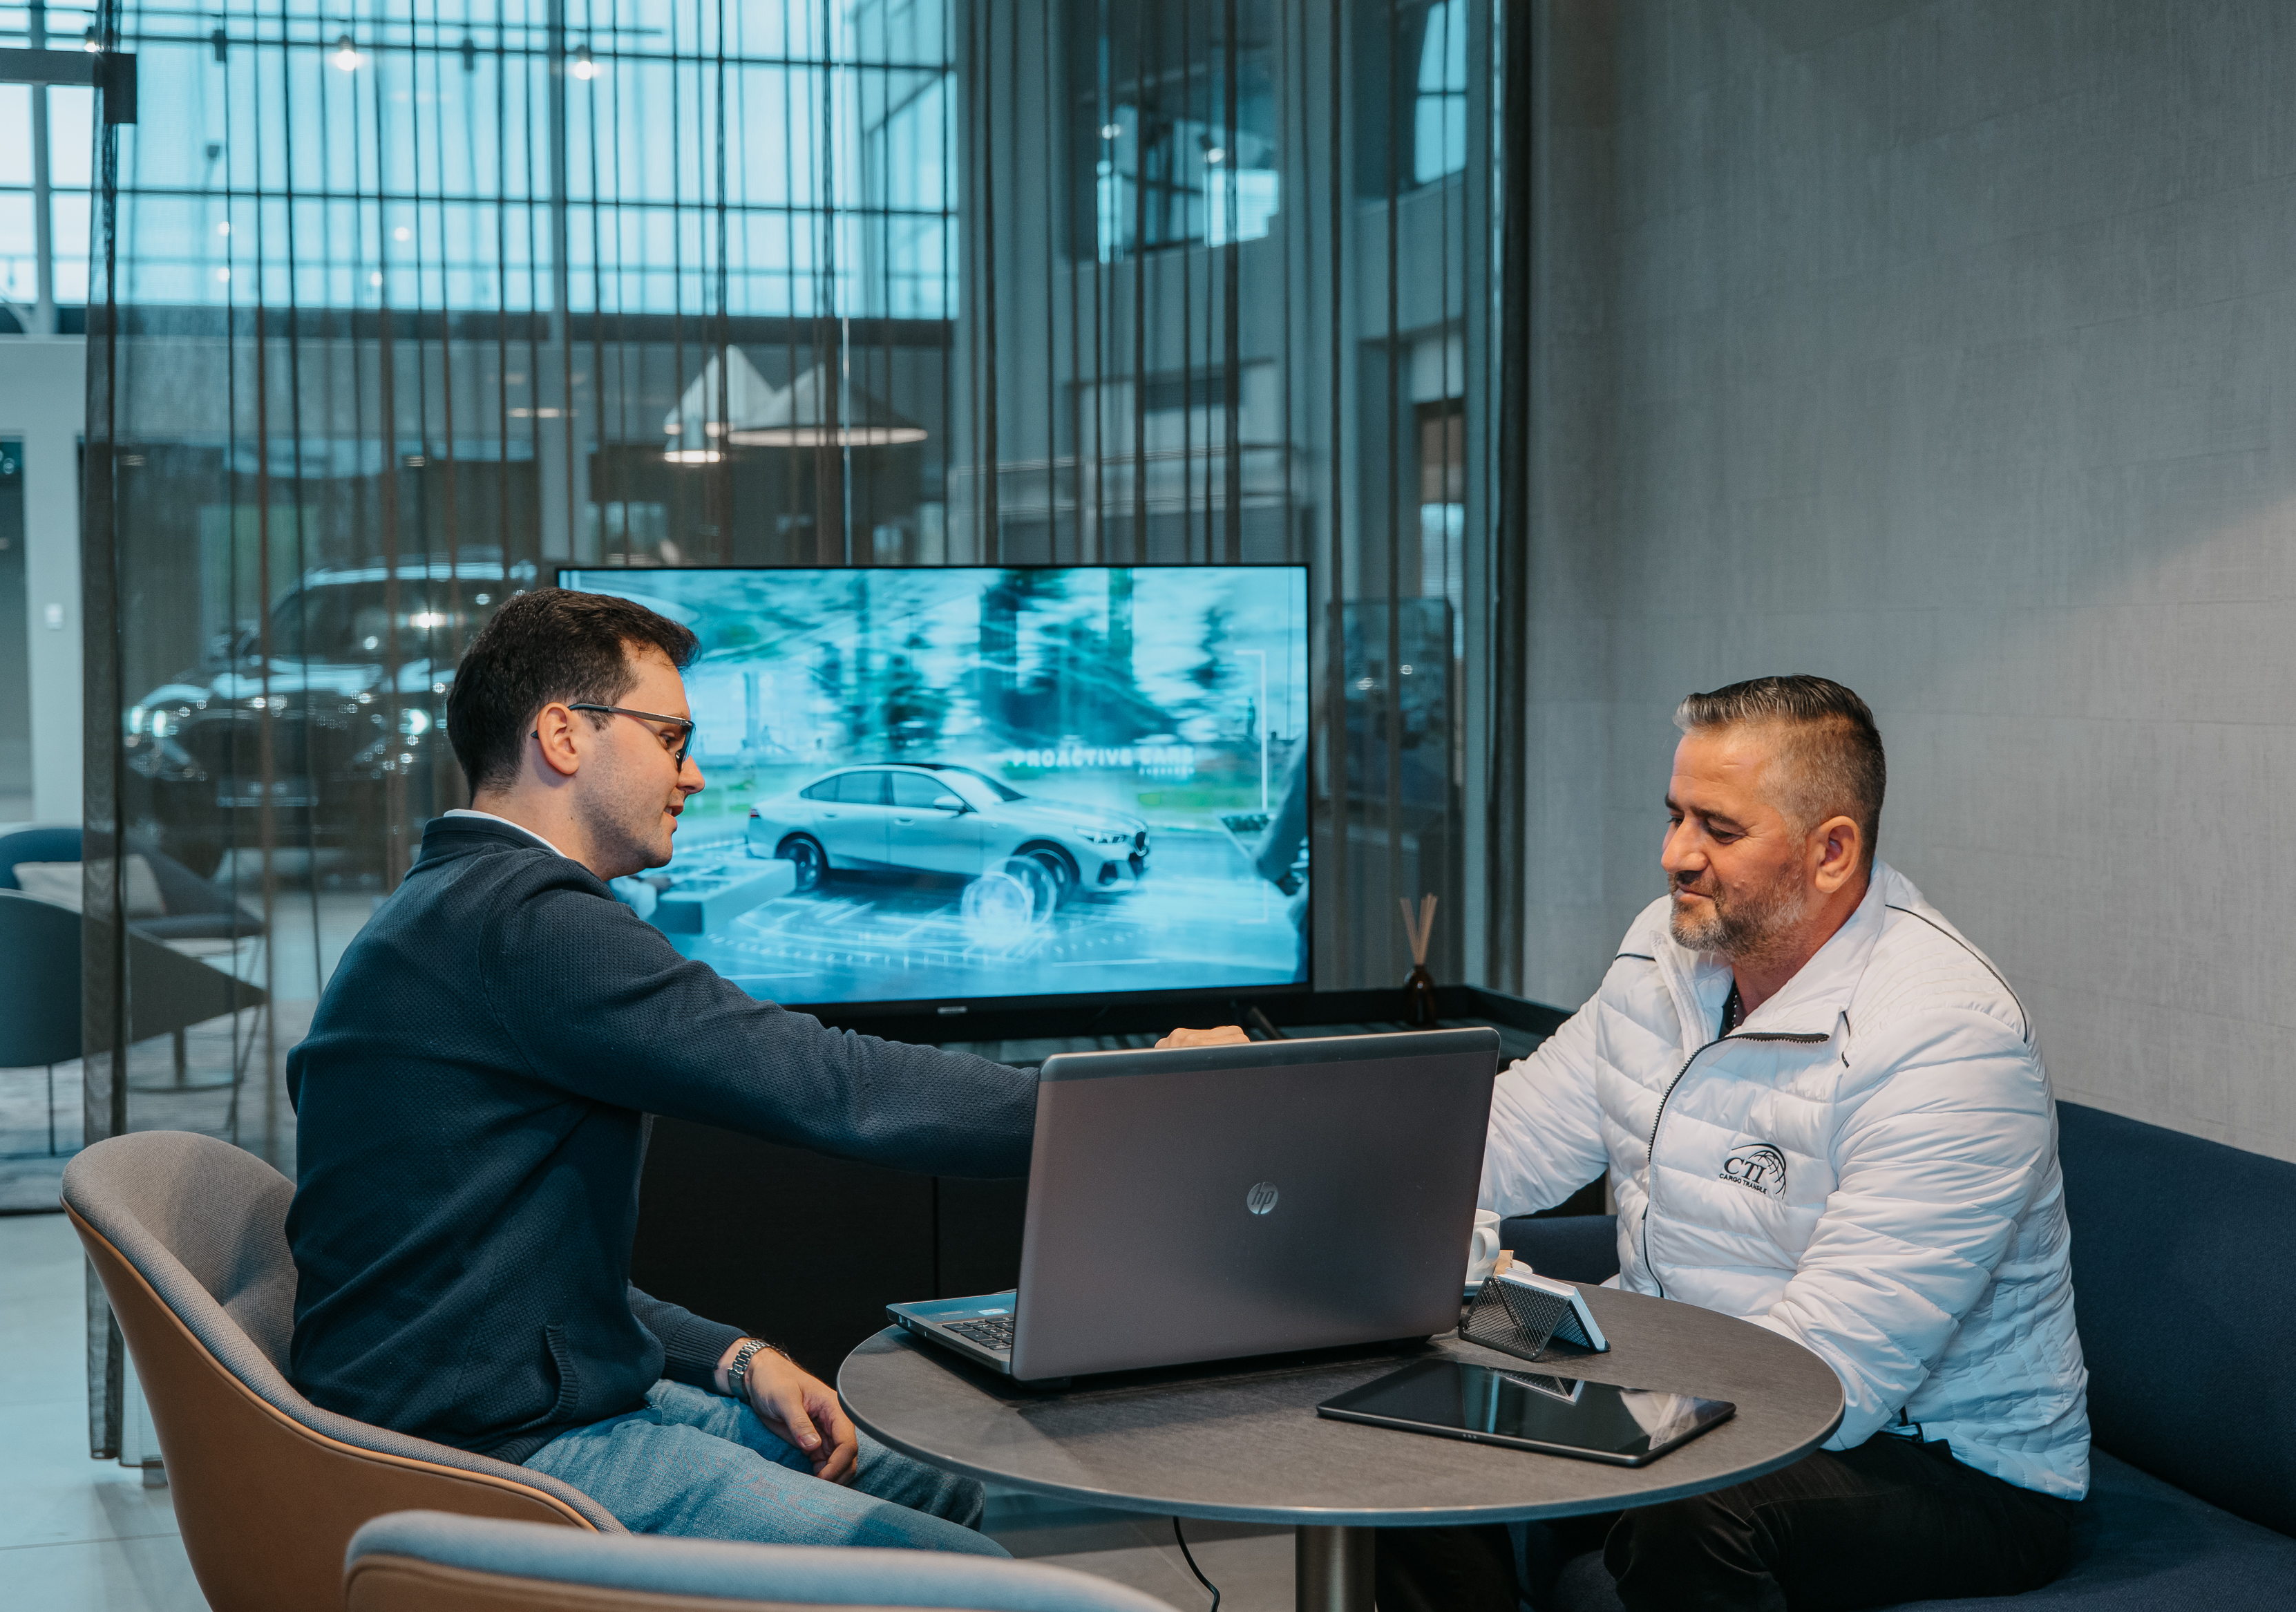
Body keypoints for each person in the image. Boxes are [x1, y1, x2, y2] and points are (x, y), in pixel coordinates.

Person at [283, 587, 1234, 1553]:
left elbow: (504, 1269)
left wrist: (734, 1356)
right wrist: (1128, 1103)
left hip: (497, 1394)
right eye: (671, 738)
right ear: (563, 736)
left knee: (932, 1487)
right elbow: (834, 1085)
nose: (693, 775)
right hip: (487, 1450)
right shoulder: (531, 924)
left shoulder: (454, 902)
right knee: (977, 1580)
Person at [1380, 676, 2088, 1612]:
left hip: (1942, 1463)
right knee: (1411, 1404)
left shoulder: (1946, 1037)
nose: (1676, 854)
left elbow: (1827, 1381)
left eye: (1718, 829)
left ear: (1832, 851)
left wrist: (1593, 1395)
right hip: (1690, 1384)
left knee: (1696, 1509)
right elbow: (1500, 1145)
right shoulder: (1665, 953)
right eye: (1676, 817)